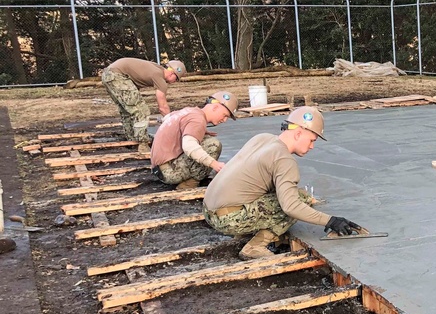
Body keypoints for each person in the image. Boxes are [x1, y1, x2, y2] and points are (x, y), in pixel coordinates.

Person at [202, 106, 363, 260]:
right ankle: (255, 247)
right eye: (311, 140)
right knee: (299, 201)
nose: (312, 146)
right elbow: (291, 207)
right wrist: (330, 221)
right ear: (298, 133)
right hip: (227, 219)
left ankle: (243, 230)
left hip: (208, 209)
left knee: (290, 195)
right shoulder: (284, 159)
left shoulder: (263, 138)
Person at [150, 91, 237, 190]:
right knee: (213, 145)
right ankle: (189, 184)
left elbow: (166, 118)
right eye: (225, 115)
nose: (224, 120)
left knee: (204, 139)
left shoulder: (189, 111)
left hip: (159, 169)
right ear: (215, 107)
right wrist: (215, 164)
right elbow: (189, 147)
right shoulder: (198, 120)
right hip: (168, 172)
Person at [101, 57, 186, 143]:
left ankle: (132, 139)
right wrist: (171, 122)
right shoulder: (159, 78)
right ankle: (142, 142)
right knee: (142, 111)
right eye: (176, 79)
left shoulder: (157, 68)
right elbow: (162, 107)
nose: (174, 82)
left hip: (108, 74)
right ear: (172, 73)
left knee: (127, 110)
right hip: (118, 76)